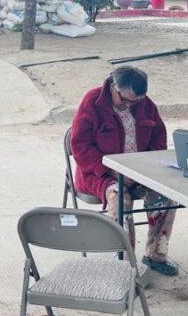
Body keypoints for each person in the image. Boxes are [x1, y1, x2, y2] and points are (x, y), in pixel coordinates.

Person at [70, 66, 180, 276]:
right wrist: (111, 170)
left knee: (166, 196)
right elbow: (80, 147)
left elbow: (158, 140)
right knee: (119, 198)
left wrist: (144, 167)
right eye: (125, 100)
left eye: (135, 101)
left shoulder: (145, 105)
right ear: (114, 87)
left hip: (139, 173)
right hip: (100, 174)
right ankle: (126, 266)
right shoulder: (92, 102)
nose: (130, 105)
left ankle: (155, 255)